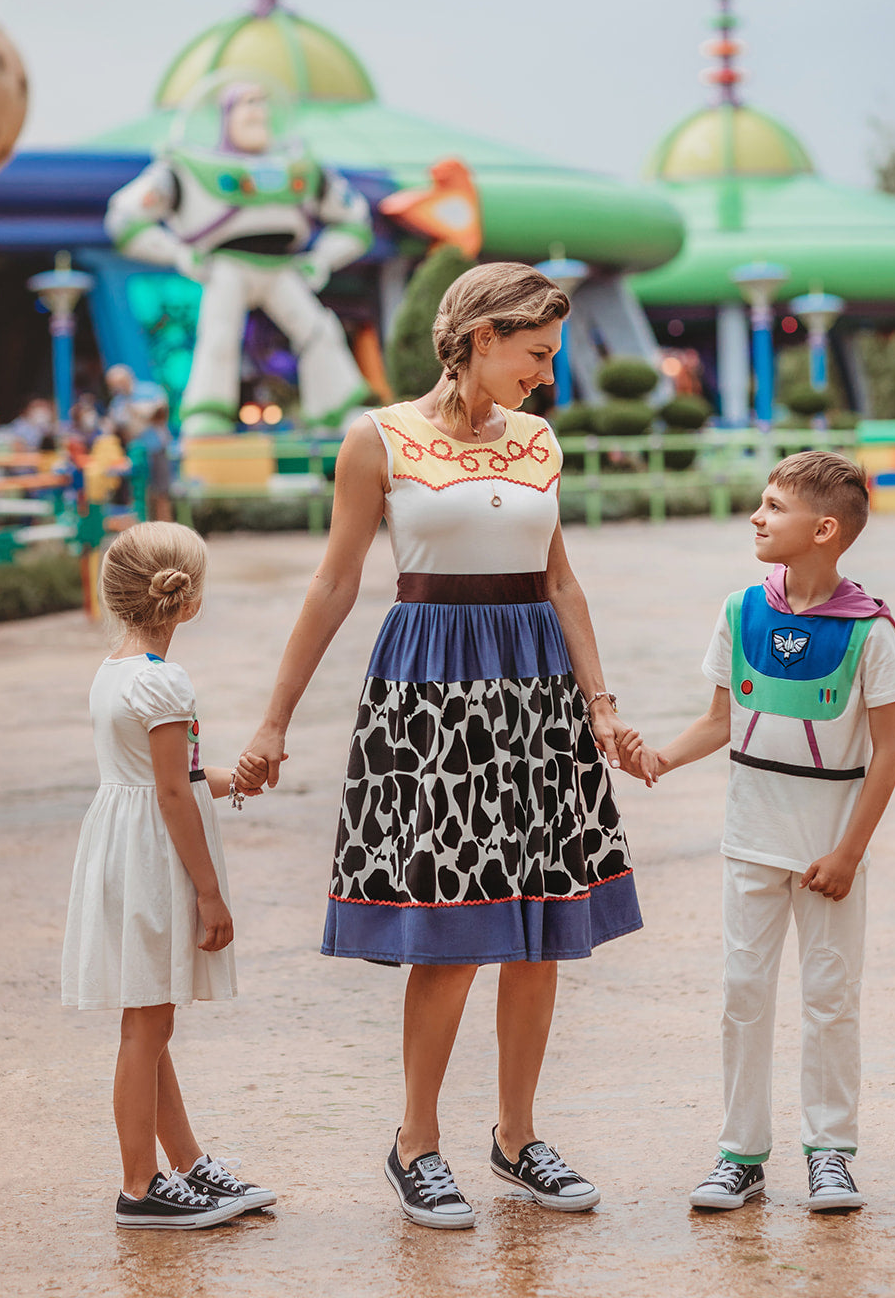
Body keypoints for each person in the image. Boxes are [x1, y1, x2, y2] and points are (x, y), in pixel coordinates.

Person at [234, 263, 654, 1230]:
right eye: (536, 353)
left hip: (537, 691)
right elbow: (335, 584)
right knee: (453, 927)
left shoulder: (539, 440)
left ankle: (517, 1137)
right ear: (479, 339)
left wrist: (600, 704)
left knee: (541, 926)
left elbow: (561, 583)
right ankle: (415, 1143)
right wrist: (273, 720)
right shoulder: (378, 438)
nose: (546, 374)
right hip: (430, 694)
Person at [640, 452, 895, 1214]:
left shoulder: (869, 631)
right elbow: (719, 721)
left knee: (831, 999)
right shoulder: (740, 612)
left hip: (830, 854)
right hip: (750, 842)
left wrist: (850, 852)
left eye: (773, 506)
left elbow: (890, 752)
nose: (756, 518)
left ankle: (831, 1154)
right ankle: (740, 1156)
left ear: (824, 530)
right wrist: (659, 758)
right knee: (743, 995)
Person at [62, 521, 276, 1228]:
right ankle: (139, 1185)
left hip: (121, 846)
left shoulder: (114, 672)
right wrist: (210, 894)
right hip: (154, 857)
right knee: (146, 1026)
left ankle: (185, 1161)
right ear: (189, 601)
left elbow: (170, 774)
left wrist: (235, 779)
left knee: (150, 1018)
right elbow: (173, 794)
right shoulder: (164, 680)